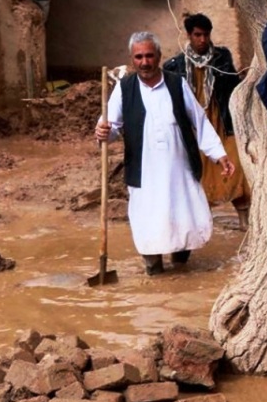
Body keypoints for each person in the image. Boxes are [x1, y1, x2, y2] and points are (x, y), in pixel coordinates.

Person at [95, 31, 235, 275]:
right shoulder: (124, 89)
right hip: (144, 170)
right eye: (139, 57)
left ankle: (181, 267)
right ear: (132, 59)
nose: (145, 62)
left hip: (179, 168)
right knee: (148, 219)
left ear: (159, 56)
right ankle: (154, 269)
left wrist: (219, 154)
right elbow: (111, 128)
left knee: (183, 217)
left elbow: (199, 122)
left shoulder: (176, 83)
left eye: (149, 55)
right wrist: (103, 132)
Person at [162, 14, 252, 231]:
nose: (202, 39)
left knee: (235, 167)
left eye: (206, 34)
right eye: (197, 35)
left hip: (222, 122)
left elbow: (233, 89)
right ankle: (202, 223)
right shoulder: (175, 65)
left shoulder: (222, 58)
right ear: (189, 35)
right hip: (193, 128)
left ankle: (243, 220)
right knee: (198, 173)